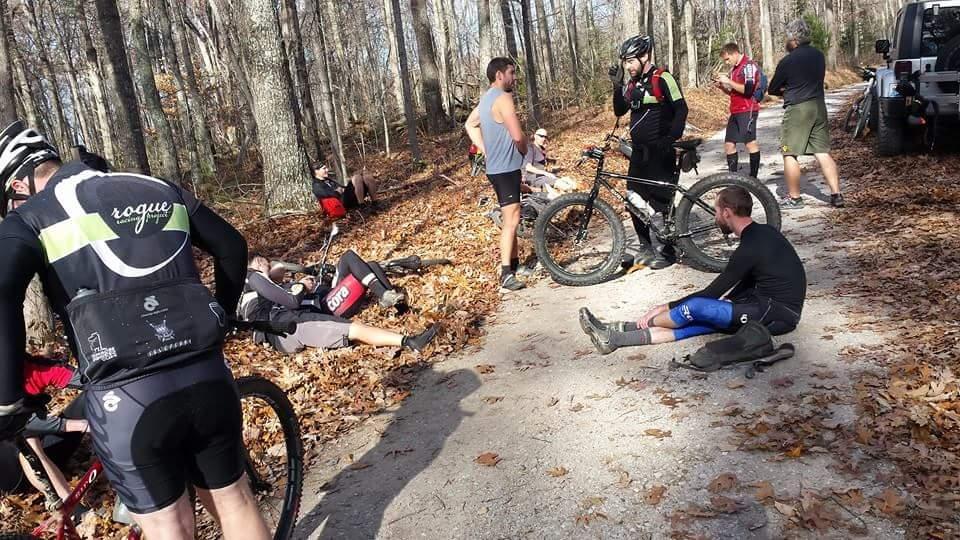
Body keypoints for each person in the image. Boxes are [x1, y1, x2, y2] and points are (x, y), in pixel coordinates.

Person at [0, 121, 269, 539]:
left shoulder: (31, 217)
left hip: (126, 397)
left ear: (18, 184)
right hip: (206, 372)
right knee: (236, 502)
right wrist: (225, 315)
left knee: (168, 525)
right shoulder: (153, 186)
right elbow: (231, 245)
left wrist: (8, 401)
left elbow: (2, 293)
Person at [580, 186, 805, 354]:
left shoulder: (749, 247)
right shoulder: (762, 233)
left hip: (776, 315)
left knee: (697, 308)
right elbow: (749, 281)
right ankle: (615, 337)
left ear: (727, 213)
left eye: (716, 211)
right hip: (771, 309)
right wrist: (731, 301)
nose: (716, 218)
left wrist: (662, 308)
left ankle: (637, 324)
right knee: (703, 320)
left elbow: (710, 293)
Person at [239, 255, 437, 354]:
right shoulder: (254, 278)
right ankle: (410, 342)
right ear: (257, 264)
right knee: (351, 329)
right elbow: (291, 300)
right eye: (265, 263)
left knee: (369, 266)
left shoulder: (264, 286)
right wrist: (301, 285)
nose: (269, 265)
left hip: (291, 321)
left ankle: (393, 305)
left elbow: (280, 277)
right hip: (286, 327)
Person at [611, 35, 689, 269]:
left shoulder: (662, 78)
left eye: (631, 61)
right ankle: (646, 247)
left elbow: (681, 108)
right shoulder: (632, 83)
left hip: (660, 150)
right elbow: (619, 110)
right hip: (639, 152)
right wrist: (617, 86)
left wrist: (670, 138)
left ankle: (668, 251)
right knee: (633, 199)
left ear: (645, 57)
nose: (628, 66)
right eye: (625, 62)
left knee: (662, 201)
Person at [465, 57, 528, 292]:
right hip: (505, 169)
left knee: (514, 216)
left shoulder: (485, 99)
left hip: (497, 168)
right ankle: (505, 274)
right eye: (511, 72)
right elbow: (517, 136)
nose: (514, 77)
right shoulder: (503, 98)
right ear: (499, 75)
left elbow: (470, 125)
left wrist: (485, 150)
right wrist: (524, 150)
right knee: (510, 221)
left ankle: (515, 264)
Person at [767, 19, 845, 209]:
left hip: (798, 110)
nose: (786, 42)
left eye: (787, 38)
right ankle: (836, 195)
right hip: (818, 106)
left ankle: (794, 198)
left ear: (793, 39)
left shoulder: (788, 60)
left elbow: (772, 88)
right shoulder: (819, 55)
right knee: (822, 152)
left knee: (790, 153)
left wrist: (785, 90)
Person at [713, 42, 763, 179]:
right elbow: (735, 93)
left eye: (727, 59)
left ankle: (753, 178)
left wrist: (729, 81)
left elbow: (747, 90)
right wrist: (723, 87)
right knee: (729, 144)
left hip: (748, 109)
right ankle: (733, 177)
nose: (727, 62)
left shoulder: (748, 66)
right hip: (735, 111)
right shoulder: (735, 69)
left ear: (734, 53)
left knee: (750, 142)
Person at [311, 162, 379, 218]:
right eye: (324, 169)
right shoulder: (316, 184)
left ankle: (375, 202)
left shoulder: (328, 180)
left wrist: (342, 189)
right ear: (316, 171)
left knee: (367, 176)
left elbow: (342, 188)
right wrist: (337, 192)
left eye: (326, 168)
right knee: (356, 177)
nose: (327, 170)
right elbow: (323, 194)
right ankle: (362, 206)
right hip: (341, 203)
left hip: (347, 197)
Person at [521, 129, 576, 196]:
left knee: (572, 184)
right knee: (566, 186)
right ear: (535, 136)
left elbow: (542, 160)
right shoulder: (530, 148)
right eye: (541, 136)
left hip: (543, 176)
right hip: (533, 177)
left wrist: (553, 162)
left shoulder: (540, 149)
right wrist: (546, 173)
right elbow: (528, 167)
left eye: (545, 137)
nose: (544, 139)